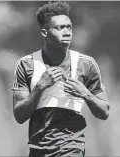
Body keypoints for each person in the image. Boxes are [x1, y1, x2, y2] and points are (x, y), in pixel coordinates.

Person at [12, 1, 110, 157]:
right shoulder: (26, 64)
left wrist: (85, 93)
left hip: (71, 149)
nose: (67, 32)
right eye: (59, 28)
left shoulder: (86, 64)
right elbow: (19, 116)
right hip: (38, 150)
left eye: (69, 27)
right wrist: (40, 87)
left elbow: (104, 112)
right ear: (44, 32)